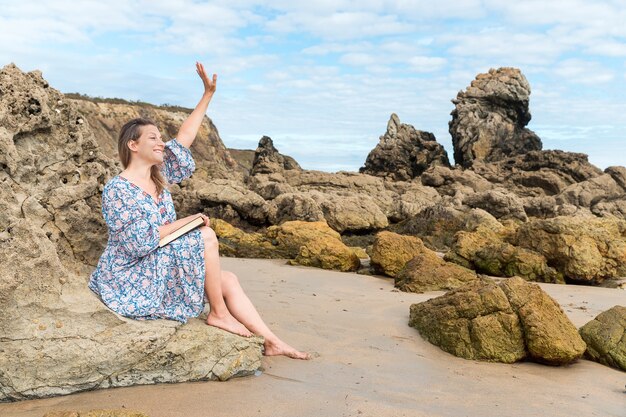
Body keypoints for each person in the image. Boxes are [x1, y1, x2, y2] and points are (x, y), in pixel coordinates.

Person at [89, 62, 309, 360]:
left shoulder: (159, 177)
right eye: (152, 137)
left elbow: (184, 137)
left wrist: (207, 94)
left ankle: (272, 341)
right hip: (131, 275)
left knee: (226, 280)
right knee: (205, 236)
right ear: (132, 144)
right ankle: (218, 313)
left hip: (157, 263)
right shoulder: (118, 190)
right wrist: (189, 222)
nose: (161, 142)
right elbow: (138, 244)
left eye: (160, 137)